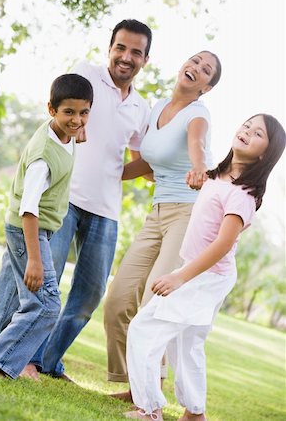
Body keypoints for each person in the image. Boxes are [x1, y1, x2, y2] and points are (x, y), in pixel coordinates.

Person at [123, 114, 286, 421]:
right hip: (207, 275)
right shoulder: (218, 178)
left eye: (257, 133)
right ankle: (195, 414)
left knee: (143, 329)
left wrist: (179, 277)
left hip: (205, 276)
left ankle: (149, 409)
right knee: (188, 343)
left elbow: (223, 244)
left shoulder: (243, 196)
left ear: (266, 153)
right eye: (246, 125)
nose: (246, 132)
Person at [21, 19, 152, 380]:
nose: (126, 57)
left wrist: (120, 172)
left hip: (106, 210)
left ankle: (48, 361)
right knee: (47, 283)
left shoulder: (142, 107)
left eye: (136, 52)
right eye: (121, 48)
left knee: (89, 295)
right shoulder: (86, 74)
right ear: (110, 48)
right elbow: (67, 113)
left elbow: (141, 156)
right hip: (67, 197)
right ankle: (28, 360)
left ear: (145, 59)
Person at [104, 51, 222, 397]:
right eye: (195, 60)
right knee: (117, 301)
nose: (196, 68)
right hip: (156, 214)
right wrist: (107, 174)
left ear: (207, 87)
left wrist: (199, 168)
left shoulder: (198, 115)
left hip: (188, 214)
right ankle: (134, 381)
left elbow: (196, 146)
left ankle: (149, 390)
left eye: (206, 70)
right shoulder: (155, 108)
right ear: (181, 63)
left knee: (152, 303)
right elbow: (147, 164)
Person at [0, 74, 93, 379]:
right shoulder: (43, 158)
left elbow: (75, 130)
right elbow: (28, 210)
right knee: (46, 305)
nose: (76, 120)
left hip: (27, 229)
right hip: (27, 230)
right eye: (68, 112)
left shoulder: (65, 133)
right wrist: (34, 259)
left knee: (7, 301)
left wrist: (76, 131)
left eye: (83, 112)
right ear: (51, 109)